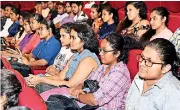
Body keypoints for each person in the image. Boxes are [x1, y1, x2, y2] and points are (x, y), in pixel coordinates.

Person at [26, 22, 100, 94]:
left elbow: (71, 84)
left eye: (73, 38)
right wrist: (38, 78)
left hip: (74, 93)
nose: (70, 40)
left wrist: (41, 80)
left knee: (39, 86)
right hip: (65, 86)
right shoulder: (76, 55)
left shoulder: (88, 59)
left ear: (84, 40)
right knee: (31, 81)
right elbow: (60, 76)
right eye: (70, 37)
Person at [69, 33, 131, 109]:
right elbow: (87, 81)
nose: (100, 53)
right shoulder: (104, 66)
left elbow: (95, 100)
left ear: (117, 53)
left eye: (104, 51)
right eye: (100, 49)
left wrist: (78, 96)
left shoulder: (120, 73)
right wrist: (79, 87)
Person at [125, 38, 180, 110]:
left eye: (149, 61)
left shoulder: (174, 93)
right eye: (142, 57)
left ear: (165, 68)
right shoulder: (140, 76)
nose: (141, 64)